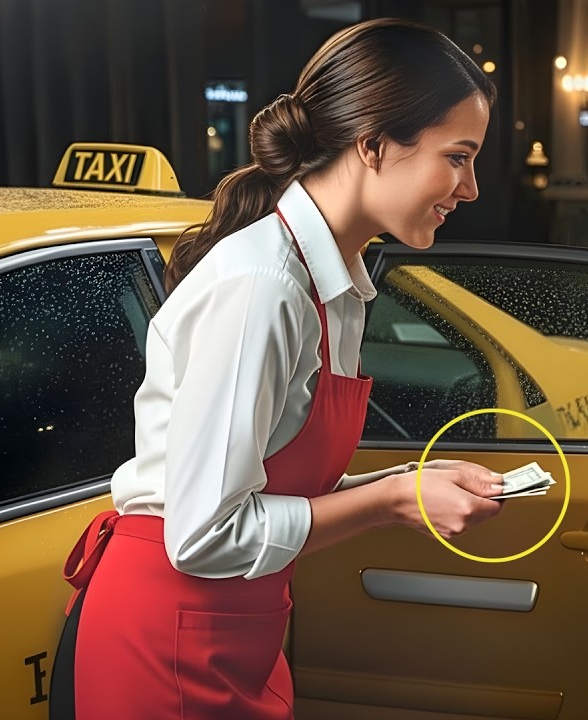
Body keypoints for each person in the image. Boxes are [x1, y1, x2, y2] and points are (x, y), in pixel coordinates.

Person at [50, 19, 504, 719]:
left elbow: (273, 481)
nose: (469, 187)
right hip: (163, 642)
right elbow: (203, 533)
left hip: (236, 634)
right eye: (458, 156)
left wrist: (405, 481)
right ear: (376, 144)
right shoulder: (266, 285)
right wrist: (389, 503)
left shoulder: (337, 284)